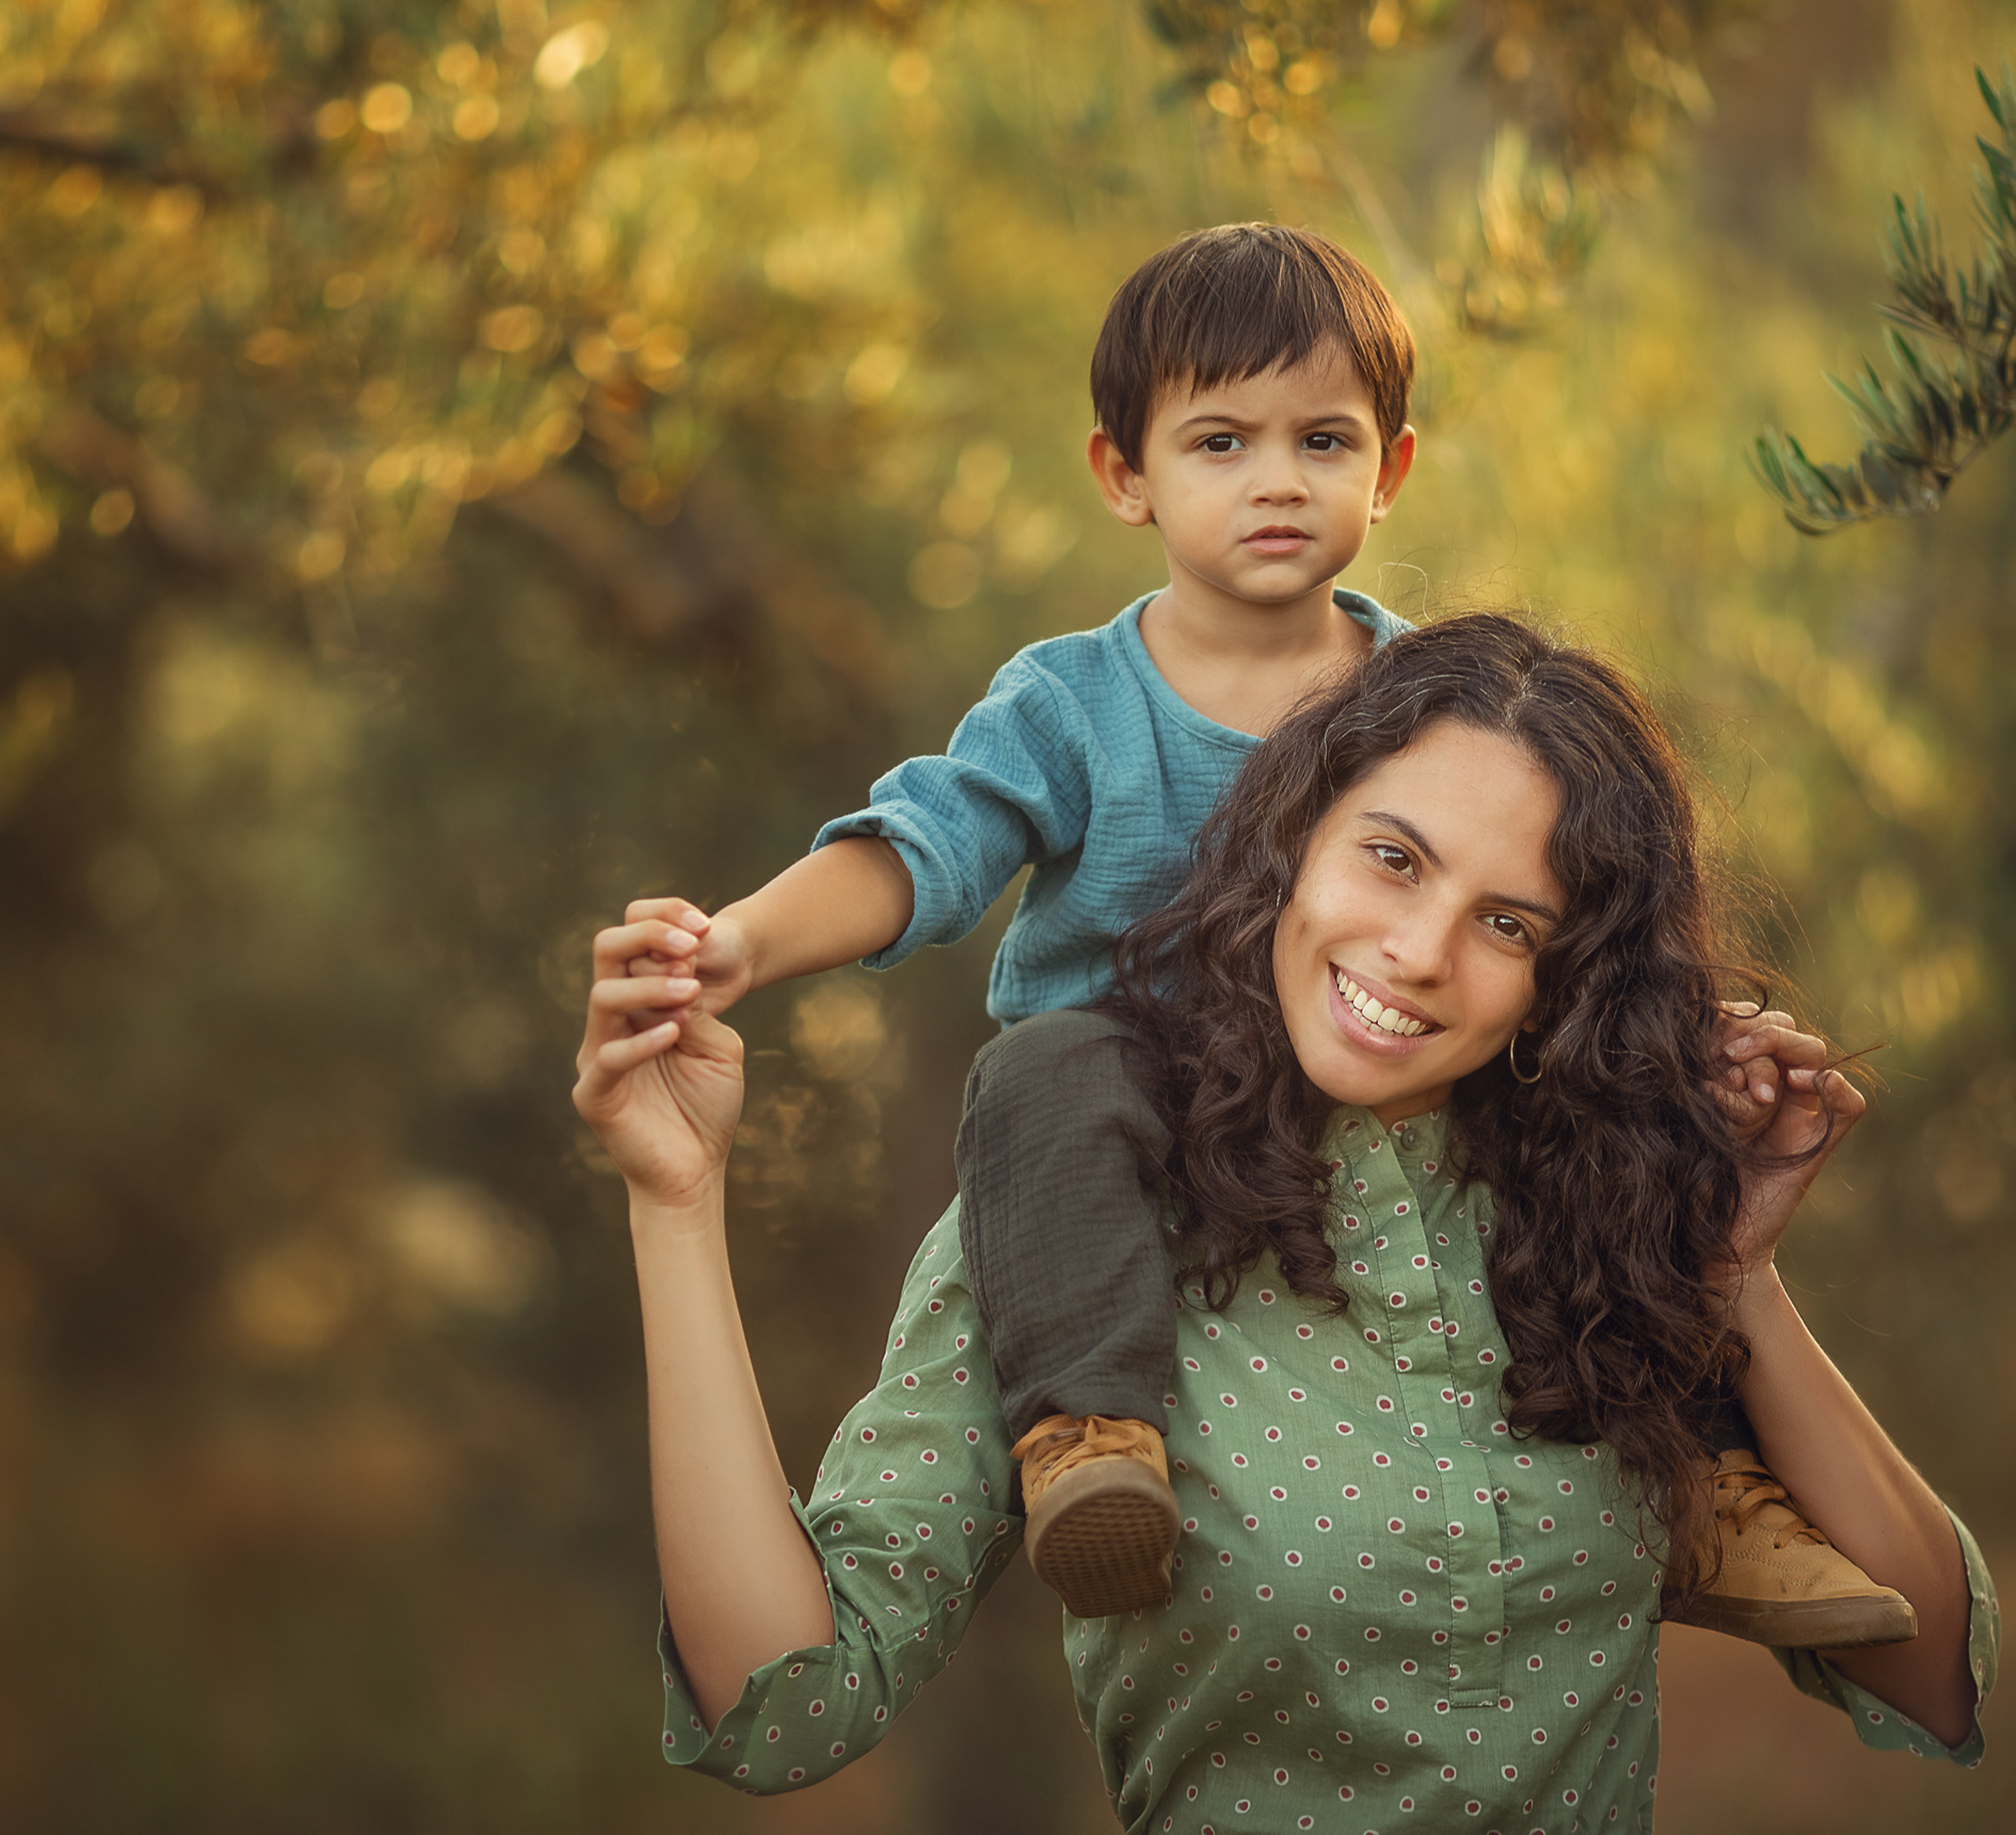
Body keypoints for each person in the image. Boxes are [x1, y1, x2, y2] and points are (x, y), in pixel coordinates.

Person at [622, 221, 1886, 1638]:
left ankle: (1702, 1483)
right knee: (1040, 1073)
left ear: (1389, 472)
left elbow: (1547, 905)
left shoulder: (1425, 703)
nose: (1276, 481)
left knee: (1599, 1116)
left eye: (1323, 442)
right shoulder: (1072, 703)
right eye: (1220, 443)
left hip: (1368, 1081)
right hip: (1129, 1089)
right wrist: (744, 944)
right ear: (1126, 475)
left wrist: (1686, 1038)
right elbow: (932, 845)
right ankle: (1093, 1443)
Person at [576, 615, 1996, 1833]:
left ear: (1562, 983)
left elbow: (1936, 1675)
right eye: (1393, 859)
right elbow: (783, 1704)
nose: (1420, 952)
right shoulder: (1081, 1210)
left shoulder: (1589, 1217)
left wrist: (1737, 1276)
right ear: (1292, 841)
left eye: (1510, 925)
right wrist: (676, 1204)